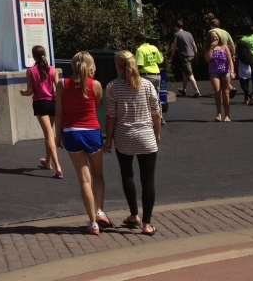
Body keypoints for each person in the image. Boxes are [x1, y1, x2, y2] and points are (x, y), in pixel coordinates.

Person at [103, 51, 162, 236]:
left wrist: (109, 139)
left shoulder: (112, 87)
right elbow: (156, 112)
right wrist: (157, 133)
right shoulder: (147, 85)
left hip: (124, 136)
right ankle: (147, 223)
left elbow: (111, 115)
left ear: (118, 67)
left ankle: (134, 214)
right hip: (146, 136)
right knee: (148, 180)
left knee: (127, 175)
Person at [55, 51, 112, 235]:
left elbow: (59, 113)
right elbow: (98, 105)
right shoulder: (95, 85)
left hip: (71, 132)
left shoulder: (62, 84)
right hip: (92, 131)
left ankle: (93, 223)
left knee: (84, 179)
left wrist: (58, 135)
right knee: (98, 175)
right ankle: (100, 211)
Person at [19, 45, 62, 178]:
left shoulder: (31, 71)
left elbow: (30, 90)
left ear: (34, 56)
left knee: (49, 135)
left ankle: (58, 167)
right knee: (50, 133)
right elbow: (58, 86)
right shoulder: (52, 70)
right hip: (53, 103)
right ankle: (47, 161)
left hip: (40, 103)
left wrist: (24, 93)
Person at [206, 30, 233, 122]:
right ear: (210, 39)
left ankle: (227, 115)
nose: (215, 38)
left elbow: (230, 60)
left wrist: (232, 71)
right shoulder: (209, 47)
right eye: (213, 37)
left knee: (226, 93)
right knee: (217, 92)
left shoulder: (224, 46)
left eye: (216, 36)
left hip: (225, 71)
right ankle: (219, 113)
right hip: (214, 71)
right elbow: (208, 59)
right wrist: (211, 48)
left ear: (219, 37)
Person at [170, 20, 201, 98]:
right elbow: (194, 45)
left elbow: (174, 46)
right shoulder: (189, 34)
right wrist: (196, 55)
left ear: (176, 27)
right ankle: (184, 89)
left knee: (190, 74)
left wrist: (171, 56)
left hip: (185, 57)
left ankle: (197, 91)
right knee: (185, 73)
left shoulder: (177, 35)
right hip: (192, 55)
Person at [209, 19, 237, 99]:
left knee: (218, 77)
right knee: (225, 73)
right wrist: (233, 54)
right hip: (225, 52)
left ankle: (223, 94)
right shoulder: (225, 32)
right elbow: (231, 43)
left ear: (212, 25)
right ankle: (229, 89)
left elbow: (208, 41)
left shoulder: (211, 32)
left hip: (215, 54)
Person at [235, 36, 253, 106]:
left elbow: (236, 63)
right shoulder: (248, 54)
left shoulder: (238, 55)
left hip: (242, 70)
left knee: (243, 86)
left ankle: (251, 96)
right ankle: (246, 100)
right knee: (247, 85)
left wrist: (234, 70)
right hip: (248, 70)